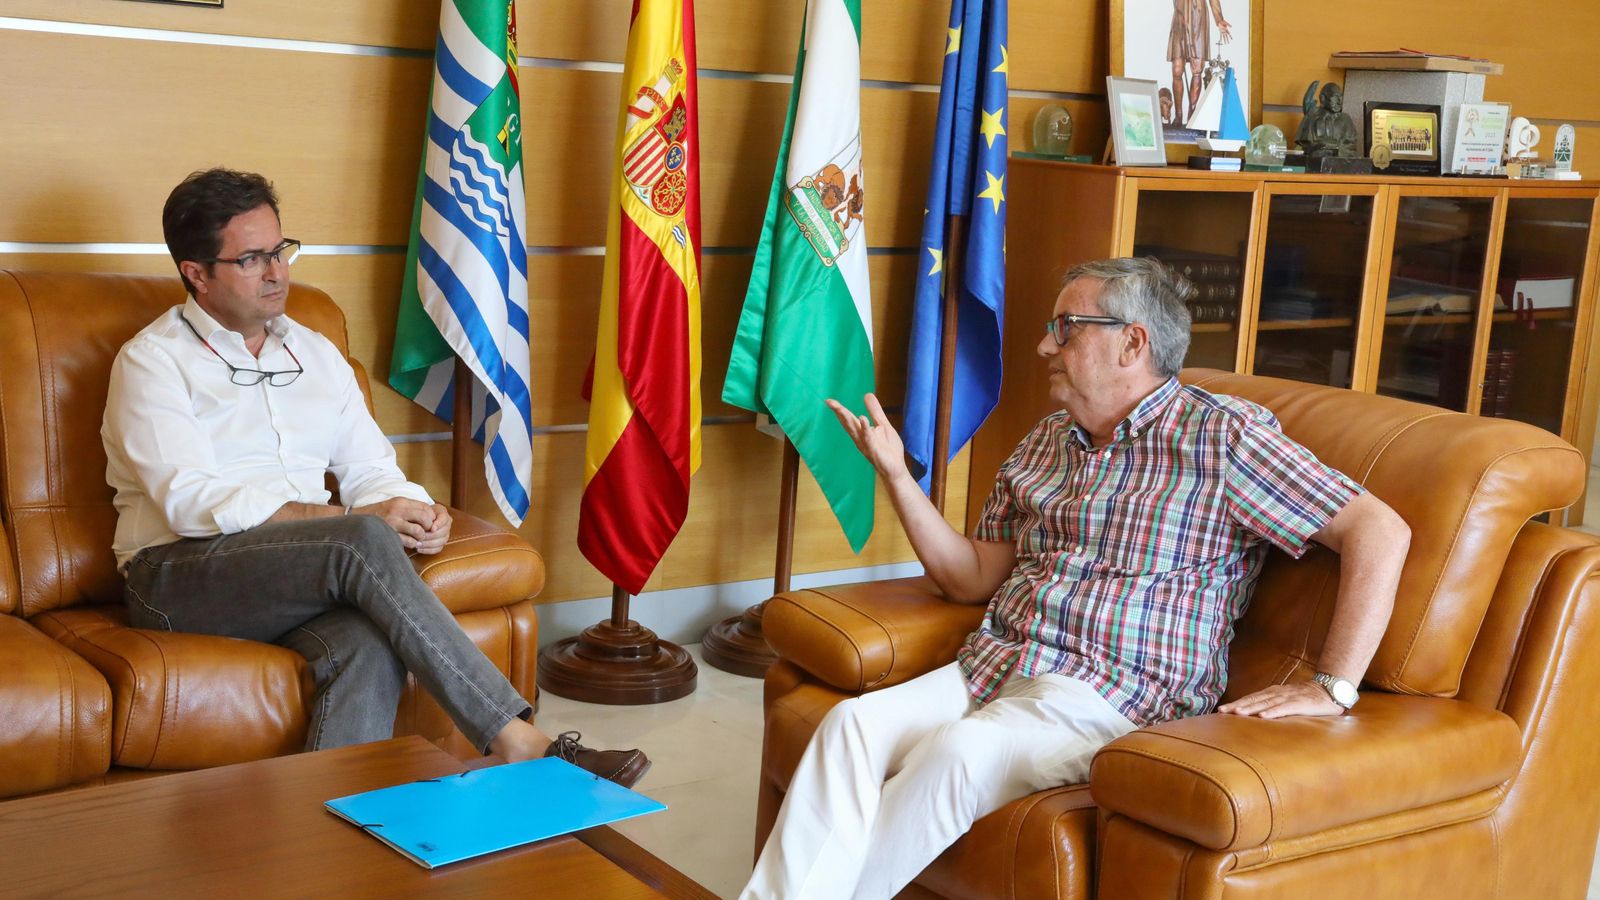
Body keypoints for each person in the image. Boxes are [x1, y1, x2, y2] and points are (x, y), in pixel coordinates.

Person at [741, 257, 1411, 899]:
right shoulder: (1047, 440)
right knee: (850, 727)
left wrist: (1332, 687)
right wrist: (896, 476)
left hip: (1116, 695)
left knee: (961, 752)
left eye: (1066, 328)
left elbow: (1379, 531)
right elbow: (971, 578)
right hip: (996, 665)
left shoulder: (1222, 438)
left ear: (1132, 343)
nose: (1044, 345)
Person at [103, 168, 649, 786]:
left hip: (294, 571)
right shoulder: (152, 362)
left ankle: (325, 822)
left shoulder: (315, 353)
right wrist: (350, 522)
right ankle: (517, 737)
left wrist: (412, 509)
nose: (277, 272)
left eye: (280, 250)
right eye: (252, 259)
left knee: (367, 639)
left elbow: (369, 469)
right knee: (359, 538)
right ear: (196, 273)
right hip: (175, 576)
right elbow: (188, 501)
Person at [1168, 0, 1231, 125]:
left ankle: (1192, 114)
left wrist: (1219, 19)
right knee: (1177, 70)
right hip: (1180, 15)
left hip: (1198, 15)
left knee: (1197, 70)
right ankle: (1178, 115)